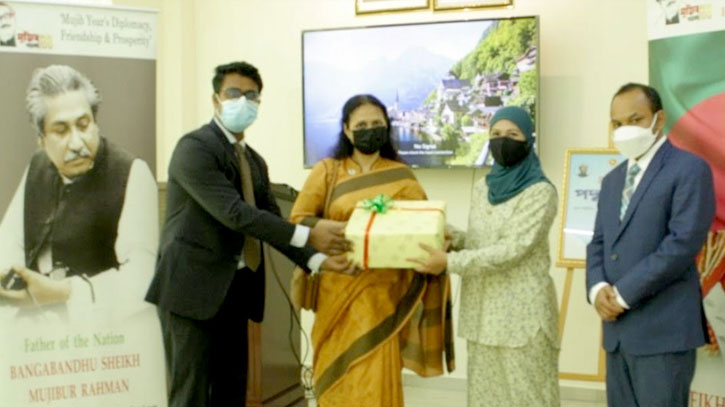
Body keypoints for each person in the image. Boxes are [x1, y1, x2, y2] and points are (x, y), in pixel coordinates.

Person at [145, 61, 349, 407]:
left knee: (232, 391)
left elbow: (271, 221)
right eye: (233, 93)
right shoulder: (194, 148)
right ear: (216, 99)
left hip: (237, 291)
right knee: (191, 394)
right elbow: (235, 214)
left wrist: (318, 261)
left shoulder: (254, 161)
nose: (243, 102)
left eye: (251, 96)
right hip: (192, 291)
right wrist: (310, 235)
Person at [289, 94, 454, 407]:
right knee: (334, 375)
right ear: (346, 130)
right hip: (337, 287)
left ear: (387, 127)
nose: (369, 129)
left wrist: (440, 240)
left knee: (375, 376)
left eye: (376, 123)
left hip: (384, 293)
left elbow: (423, 227)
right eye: (361, 124)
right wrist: (340, 230)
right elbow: (299, 220)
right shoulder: (328, 171)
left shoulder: (401, 175)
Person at [411, 106, 560, 406]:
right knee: (484, 399)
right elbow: (482, 242)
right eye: (496, 134)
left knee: (529, 398)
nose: (503, 141)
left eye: (512, 134)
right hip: (482, 316)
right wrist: (449, 236)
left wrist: (448, 262)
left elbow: (512, 250)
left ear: (528, 140)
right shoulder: (483, 187)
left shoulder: (540, 192)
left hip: (521, 319)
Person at [586, 83, 715, 407]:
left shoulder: (689, 169)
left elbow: (682, 244)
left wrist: (623, 294)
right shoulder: (612, 181)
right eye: (617, 123)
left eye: (635, 119)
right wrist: (597, 288)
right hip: (617, 334)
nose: (625, 130)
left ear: (659, 119)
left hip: (663, 333)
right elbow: (598, 242)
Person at [0, 64, 158, 322]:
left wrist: (65, 293)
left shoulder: (133, 173)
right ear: (41, 139)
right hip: (38, 332)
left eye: (83, 126)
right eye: (61, 131)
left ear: (96, 123)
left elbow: (142, 279)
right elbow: (8, 245)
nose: (76, 143)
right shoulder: (37, 166)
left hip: (106, 331)